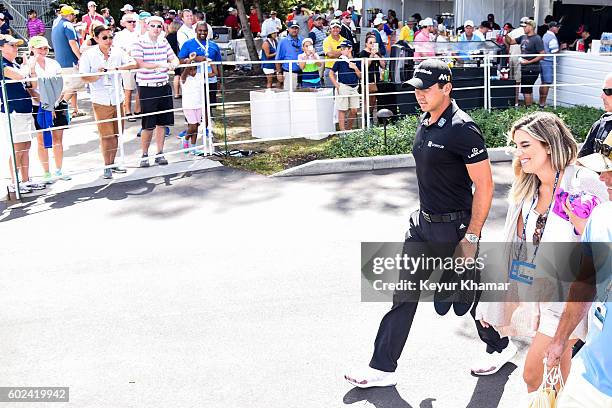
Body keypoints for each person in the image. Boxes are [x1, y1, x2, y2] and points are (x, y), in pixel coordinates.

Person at [345, 59, 514, 388]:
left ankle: (498, 348)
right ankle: (382, 368)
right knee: (403, 294)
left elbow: (486, 185)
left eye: (426, 88)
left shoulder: (463, 129)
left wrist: (472, 236)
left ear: (446, 88)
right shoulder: (426, 120)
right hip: (422, 225)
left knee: (472, 296)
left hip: (455, 230)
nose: (420, 95)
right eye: (416, 89)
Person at [476, 112, 608, 402]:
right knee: (556, 368)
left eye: (525, 145)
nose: (517, 153)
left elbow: (602, 241)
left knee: (533, 373)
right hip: (538, 289)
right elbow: (513, 245)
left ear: (548, 144)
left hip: (570, 294)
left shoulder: (583, 182)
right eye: (515, 145)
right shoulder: (526, 187)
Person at [544, 132, 612, 408]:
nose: (603, 179)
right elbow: (585, 282)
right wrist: (560, 339)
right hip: (590, 378)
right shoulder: (602, 216)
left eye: (610, 171)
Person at [80, 25, 136, 179]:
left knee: (117, 134)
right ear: (96, 38)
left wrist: (118, 68)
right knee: (106, 136)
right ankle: (107, 165)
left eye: (111, 37)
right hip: (101, 100)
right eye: (104, 37)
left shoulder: (118, 51)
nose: (108, 40)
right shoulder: (89, 55)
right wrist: (97, 75)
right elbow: (83, 76)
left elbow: (133, 63)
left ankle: (113, 163)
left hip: (118, 98)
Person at [131, 15, 180, 168]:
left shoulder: (163, 41)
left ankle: (160, 153)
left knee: (162, 123)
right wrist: (162, 65)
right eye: (153, 26)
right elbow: (140, 63)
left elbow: (174, 58)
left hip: (163, 85)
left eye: (159, 26)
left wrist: (173, 64)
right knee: (148, 124)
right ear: (147, 26)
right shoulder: (139, 42)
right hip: (147, 86)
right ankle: (144, 155)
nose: (156, 29)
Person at [0, 34, 46, 195]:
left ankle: (26, 180)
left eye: (16, 45)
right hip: (13, 111)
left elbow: (31, 83)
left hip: (24, 109)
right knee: (18, 148)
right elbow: (18, 76)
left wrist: (31, 69)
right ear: (1, 47)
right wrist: (30, 66)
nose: (15, 47)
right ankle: (15, 183)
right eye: (11, 45)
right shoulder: (3, 64)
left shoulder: (16, 64)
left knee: (26, 146)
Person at [27, 36, 71, 184]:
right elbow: (31, 89)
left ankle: (59, 170)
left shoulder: (54, 63)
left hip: (57, 104)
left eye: (45, 48)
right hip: (39, 106)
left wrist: (54, 103)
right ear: (32, 49)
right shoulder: (26, 66)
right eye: (40, 48)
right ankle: (46, 173)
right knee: (42, 140)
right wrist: (46, 105)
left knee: (58, 138)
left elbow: (61, 85)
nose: (43, 51)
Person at [177, 21, 222, 134]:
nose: (203, 33)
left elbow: (219, 63)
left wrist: (220, 80)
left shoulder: (213, 45)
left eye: (205, 30)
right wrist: (195, 59)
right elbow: (180, 61)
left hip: (210, 79)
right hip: (194, 80)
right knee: (194, 105)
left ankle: (206, 129)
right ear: (196, 31)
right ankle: (191, 129)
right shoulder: (188, 44)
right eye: (200, 30)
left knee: (207, 105)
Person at [51, 5, 85, 118]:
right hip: (70, 62)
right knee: (75, 85)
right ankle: (59, 107)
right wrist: (81, 58)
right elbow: (73, 44)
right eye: (73, 15)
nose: (74, 16)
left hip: (61, 62)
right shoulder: (68, 25)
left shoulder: (56, 24)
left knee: (69, 87)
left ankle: (74, 109)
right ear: (69, 15)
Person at [505, 19, 544, 107]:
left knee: (526, 90)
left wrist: (529, 61)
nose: (523, 28)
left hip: (532, 68)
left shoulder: (537, 38)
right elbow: (511, 42)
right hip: (524, 67)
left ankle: (528, 109)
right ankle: (529, 108)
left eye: (525, 26)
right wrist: (506, 34)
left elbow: (542, 54)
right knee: (526, 90)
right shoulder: (523, 37)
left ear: (531, 27)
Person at [329, 40, 360, 131]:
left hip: (354, 87)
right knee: (342, 109)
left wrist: (355, 68)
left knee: (354, 110)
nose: (342, 51)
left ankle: (348, 129)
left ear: (350, 49)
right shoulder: (340, 60)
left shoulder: (356, 60)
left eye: (344, 49)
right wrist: (337, 85)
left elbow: (361, 76)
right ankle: (343, 132)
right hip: (343, 86)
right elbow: (331, 73)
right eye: (341, 49)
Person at [114, 13, 140, 120]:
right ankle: (127, 111)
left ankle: (138, 110)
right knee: (128, 89)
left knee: (140, 88)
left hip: (139, 63)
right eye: (130, 21)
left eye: (134, 21)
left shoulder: (139, 34)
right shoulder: (120, 35)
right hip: (127, 64)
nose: (132, 23)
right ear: (124, 23)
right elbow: (116, 50)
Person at [579, 73, 612, 158]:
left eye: (608, 91)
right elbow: (581, 161)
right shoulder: (601, 125)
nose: (602, 96)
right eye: (603, 91)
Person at [359, 33, 385, 121]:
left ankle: (370, 116)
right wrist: (371, 56)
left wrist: (378, 57)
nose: (372, 45)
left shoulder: (377, 52)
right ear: (366, 44)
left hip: (376, 79)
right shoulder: (363, 53)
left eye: (374, 43)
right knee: (367, 100)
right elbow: (365, 65)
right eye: (370, 43)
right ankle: (366, 118)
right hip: (367, 79)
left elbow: (383, 66)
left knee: (373, 100)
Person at [275, 20, 303, 91]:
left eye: (296, 28)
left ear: (299, 29)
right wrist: (279, 73)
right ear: (288, 29)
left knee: (302, 95)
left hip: (302, 72)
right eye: (292, 28)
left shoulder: (303, 40)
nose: (294, 30)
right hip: (289, 72)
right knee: (289, 94)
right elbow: (278, 58)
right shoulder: (283, 41)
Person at [539, 21, 561, 108]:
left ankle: (541, 103)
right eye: (557, 27)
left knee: (543, 82)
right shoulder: (552, 37)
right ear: (552, 27)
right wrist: (561, 48)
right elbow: (554, 51)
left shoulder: (545, 35)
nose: (558, 28)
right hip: (548, 62)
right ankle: (542, 104)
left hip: (543, 61)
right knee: (547, 83)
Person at [323, 20, 345, 87]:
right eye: (333, 28)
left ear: (340, 29)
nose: (335, 29)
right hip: (330, 68)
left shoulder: (344, 40)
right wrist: (341, 52)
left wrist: (333, 52)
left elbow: (347, 54)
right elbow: (330, 54)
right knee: (330, 92)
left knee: (342, 91)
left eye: (337, 27)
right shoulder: (326, 40)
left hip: (342, 69)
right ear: (330, 29)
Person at [166, 21, 182, 99]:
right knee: (181, 75)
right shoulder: (179, 36)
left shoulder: (168, 37)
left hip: (172, 57)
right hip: (179, 57)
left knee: (177, 75)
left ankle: (176, 93)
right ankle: (182, 92)